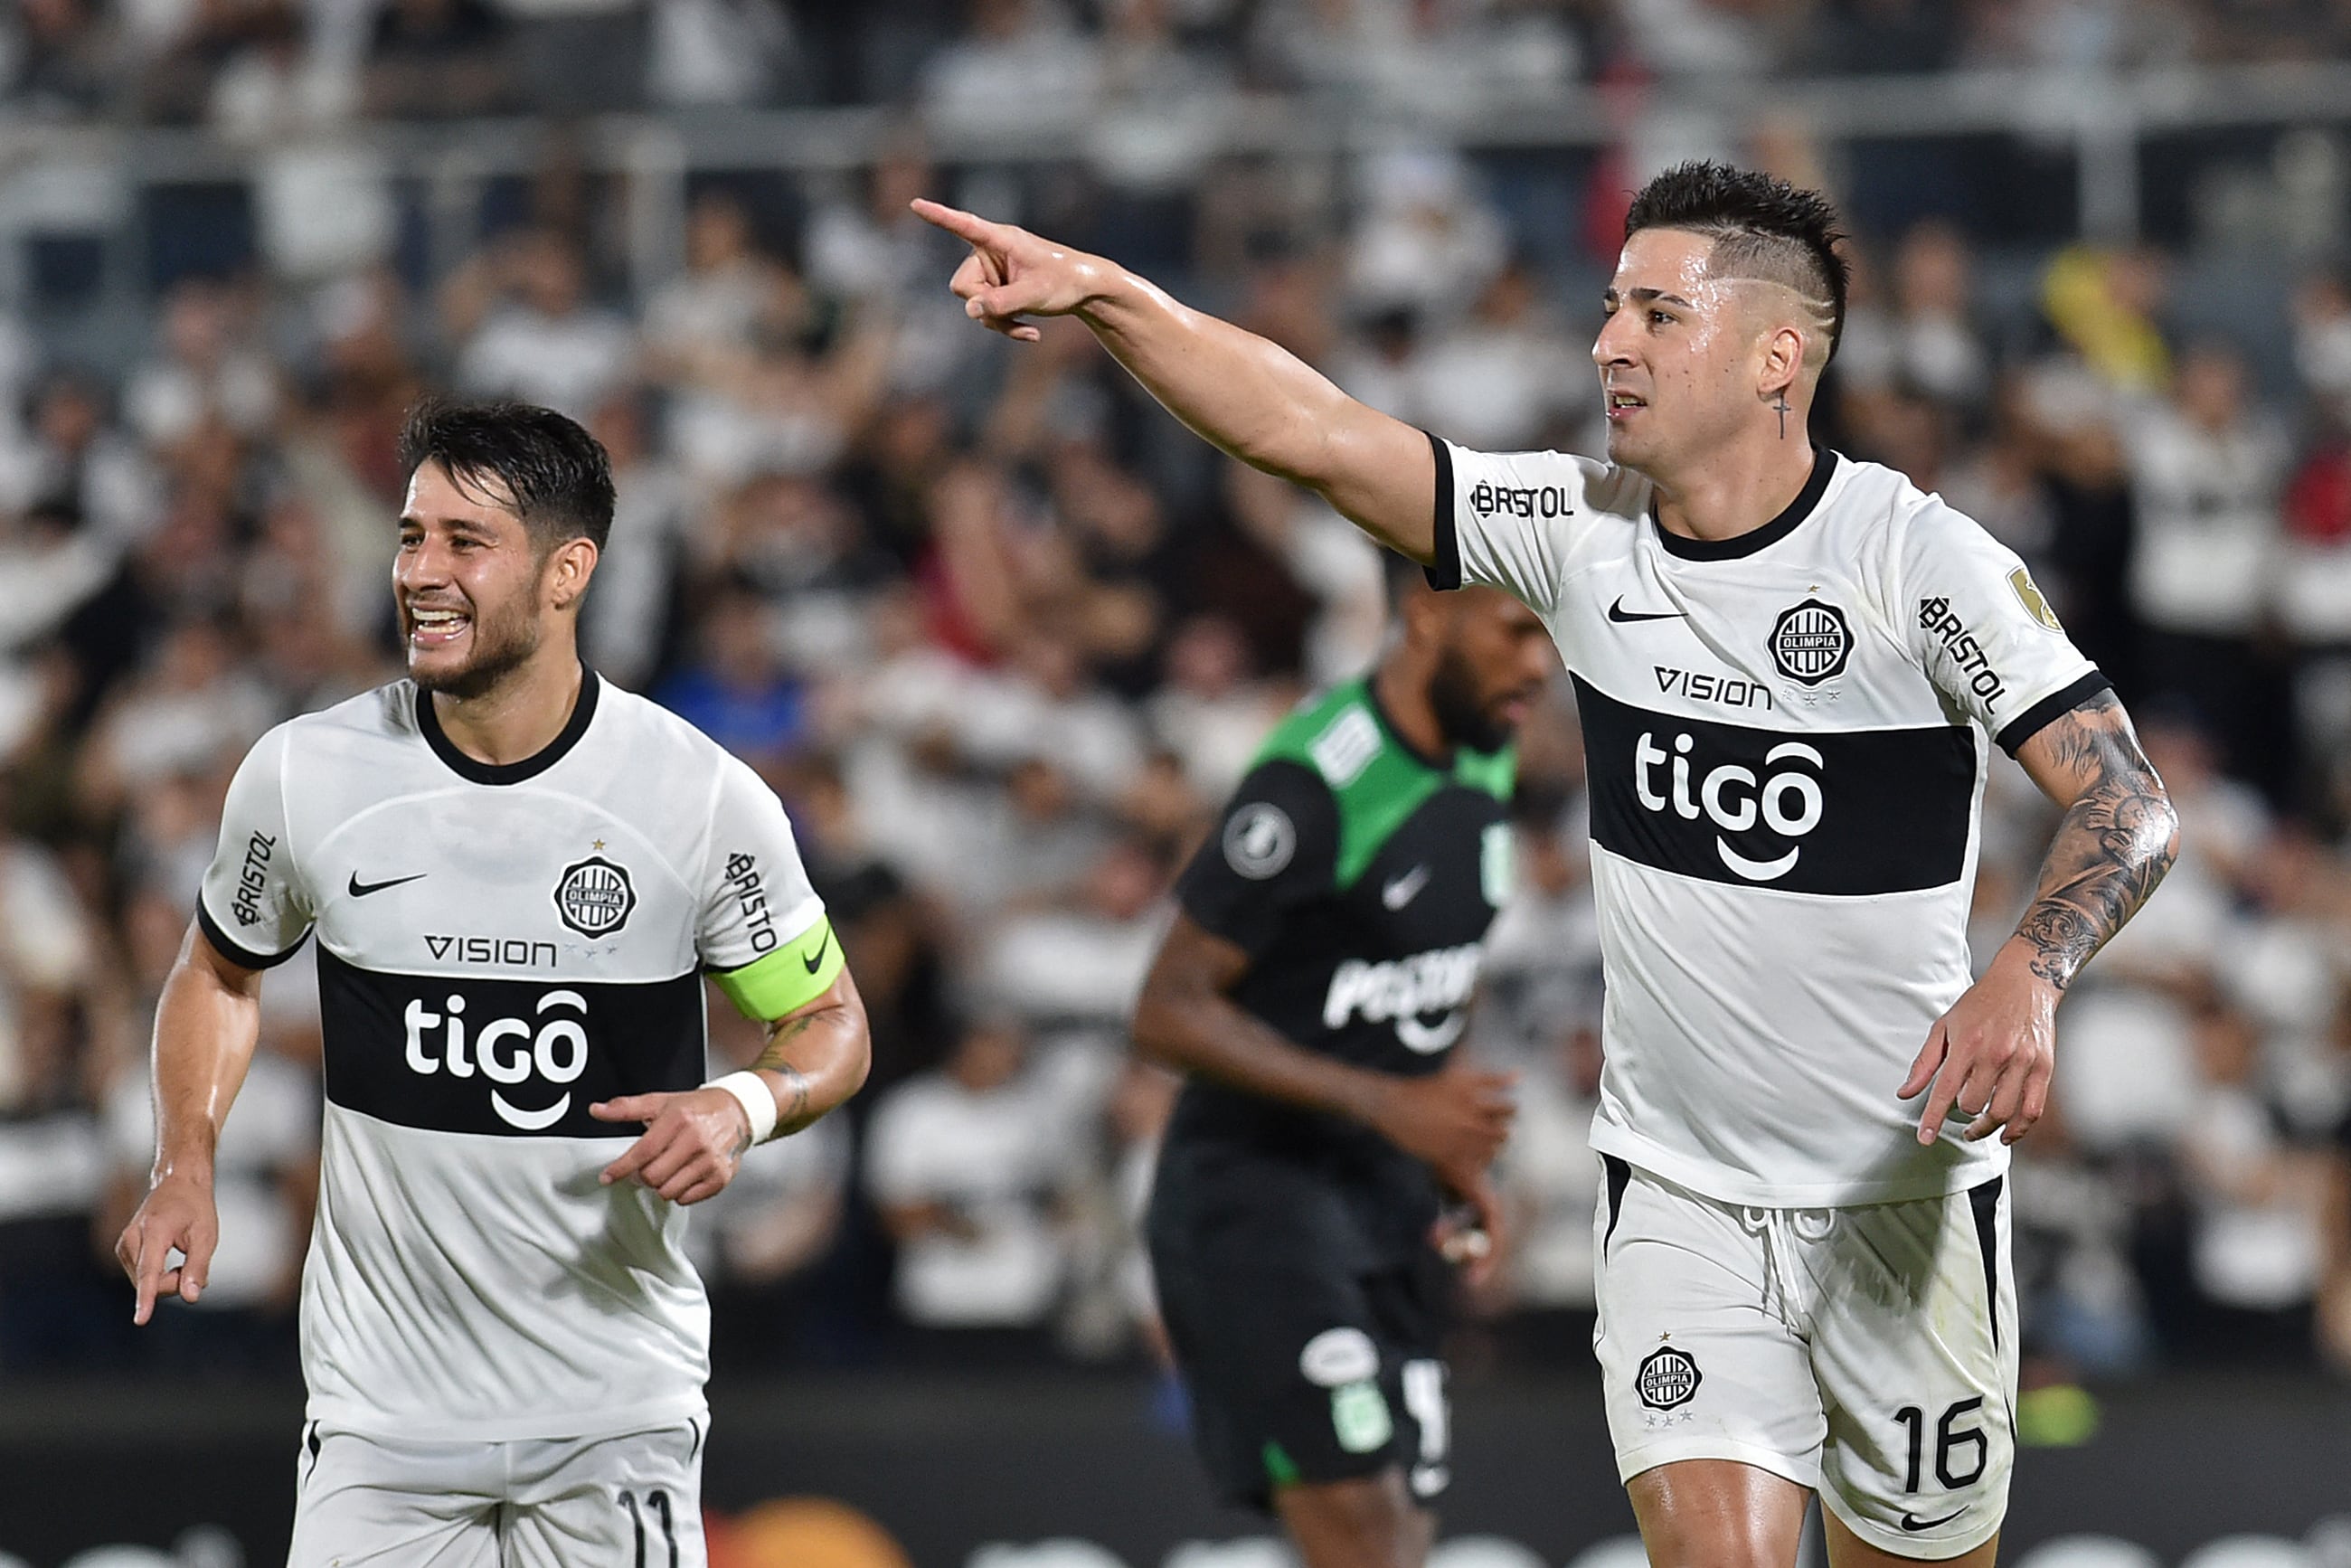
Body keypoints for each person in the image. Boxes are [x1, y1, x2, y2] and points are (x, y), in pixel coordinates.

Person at [921, 162, 2181, 1568]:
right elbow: (1313, 431)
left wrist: (2028, 969)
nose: (1608, 344)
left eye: (1656, 312)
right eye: (1609, 307)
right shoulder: (1579, 533)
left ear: (1777, 356)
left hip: (1908, 1197)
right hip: (1681, 1197)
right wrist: (1104, 293)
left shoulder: (1913, 560)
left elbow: (2127, 803)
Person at [113, 399, 872, 1567]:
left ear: (570, 570)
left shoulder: (700, 798)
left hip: (613, 1412)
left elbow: (827, 1022)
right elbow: (218, 967)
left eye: (466, 542)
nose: (421, 571)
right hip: (382, 1419)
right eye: (412, 536)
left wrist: (743, 1102)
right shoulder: (307, 773)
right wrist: (186, 1160)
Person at [1129, 562, 1553, 1568]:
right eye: (1512, 632)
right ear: (1421, 615)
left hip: (1386, 1192)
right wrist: (1391, 1104)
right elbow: (1163, 1009)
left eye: (1548, 637)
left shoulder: (1482, 750)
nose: (1538, 666)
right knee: (1359, 1532)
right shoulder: (1318, 781)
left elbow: (1421, 981)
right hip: (1257, 1196)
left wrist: (1446, 1157)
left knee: (1403, 1535)